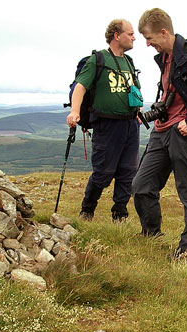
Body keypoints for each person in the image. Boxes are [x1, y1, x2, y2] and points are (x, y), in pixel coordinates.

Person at [133, 8, 187, 258]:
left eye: (149, 39)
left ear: (164, 32)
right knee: (141, 185)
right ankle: (151, 234)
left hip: (182, 132)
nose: (148, 44)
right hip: (161, 130)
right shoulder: (166, 58)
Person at [66, 19, 141, 222]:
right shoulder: (98, 60)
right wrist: (75, 112)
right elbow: (80, 87)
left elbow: (135, 89)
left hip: (130, 124)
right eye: (130, 33)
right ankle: (87, 210)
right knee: (103, 172)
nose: (134, 37)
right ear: (117, 35)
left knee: (127, 172)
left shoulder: (129, 62)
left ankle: (119, 214)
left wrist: (139, 109)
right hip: (107, 125)